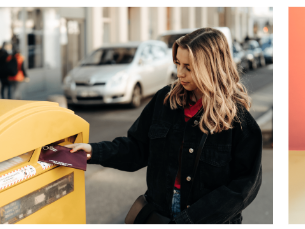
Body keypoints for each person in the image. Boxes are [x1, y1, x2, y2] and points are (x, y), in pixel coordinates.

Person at [65, 27, 262, 224]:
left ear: (210, 67)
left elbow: (245, 185)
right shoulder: (165, 101)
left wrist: (192, 218)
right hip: (159, 213)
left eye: (188, 67)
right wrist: (93, 151)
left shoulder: (236, 120)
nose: (180, 73)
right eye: (178, 63)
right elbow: (137, 148)